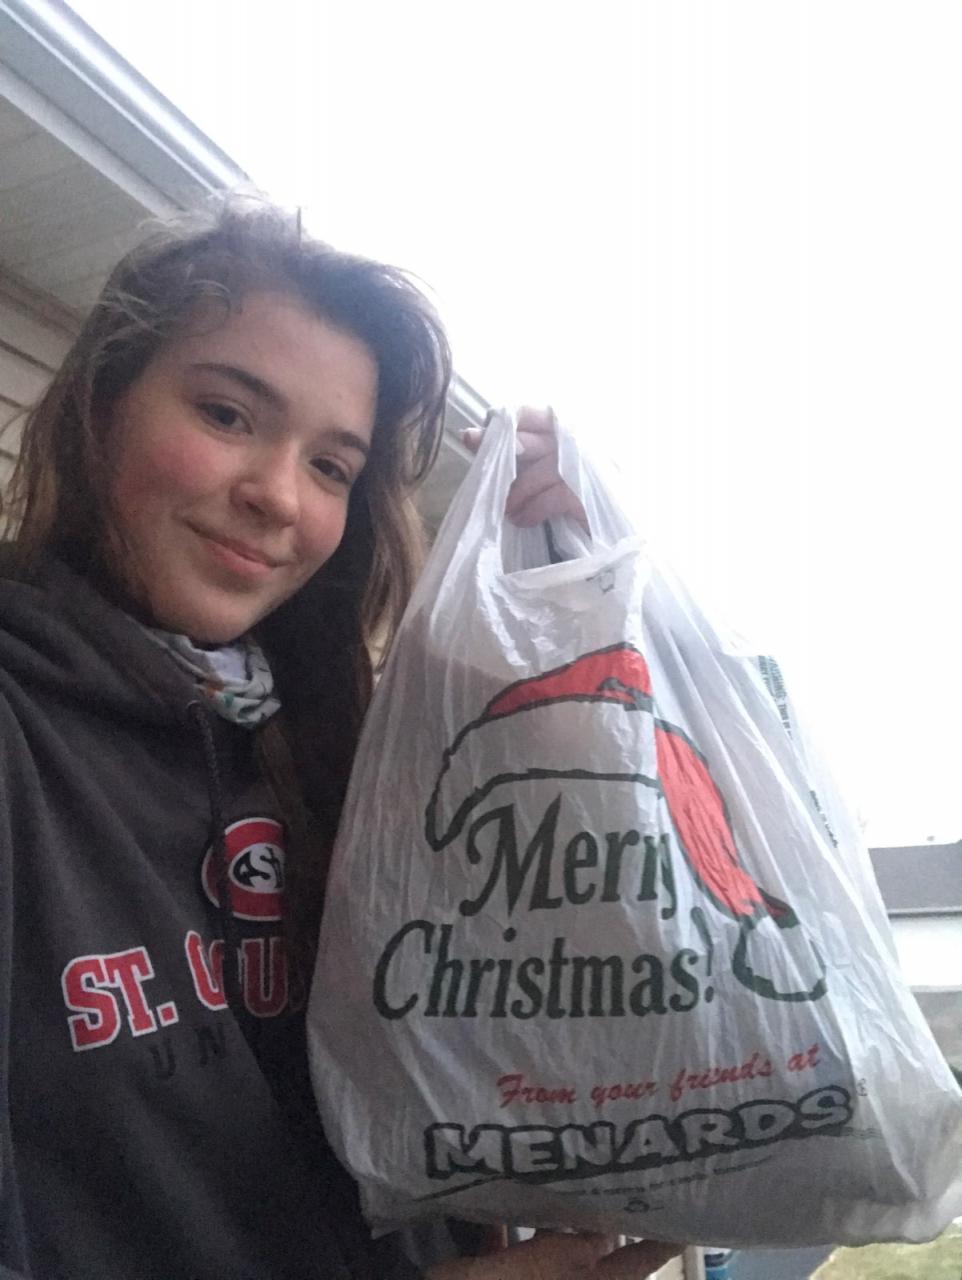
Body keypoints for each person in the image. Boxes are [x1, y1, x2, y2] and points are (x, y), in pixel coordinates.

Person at [0, 200, 679, 1280]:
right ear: (102, 404)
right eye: (227, 413)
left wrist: (593, 587)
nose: (277, 495)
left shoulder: (340, 753)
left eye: (330, 466)